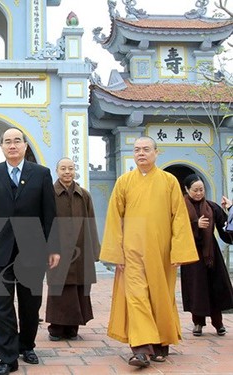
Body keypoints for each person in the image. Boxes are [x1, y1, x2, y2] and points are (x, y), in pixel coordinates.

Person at [99, 136, 198, 368]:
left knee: (161, 297)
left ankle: (161, 342)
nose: (141, 153)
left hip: (161, 251)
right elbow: (114, 218)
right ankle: (142, 348)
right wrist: (116, 254)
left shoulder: (169, 181)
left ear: (156, 152)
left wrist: (179, 252)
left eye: (146, 149)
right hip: (131, 252)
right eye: (137, 150)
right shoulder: (124, 182)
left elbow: (180, 218)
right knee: (136, 298)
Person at [0, 127, 60, 375]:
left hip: (33, 248)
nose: (12, 146)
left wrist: (53, 247)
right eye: (7, 142)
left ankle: (27, 345)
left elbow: (49, 214)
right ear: (1, 146)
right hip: (0, 249)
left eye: (17, 141)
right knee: (3, 304)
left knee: (30, 302)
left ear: (25, 145)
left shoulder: (41, 174)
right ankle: (7, 358)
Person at [45, 157, 100, 341]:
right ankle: (56, 328)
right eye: (63, 168)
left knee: (78, 287)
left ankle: (73, 328)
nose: (67, 172)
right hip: (57, 250)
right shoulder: (49, 194)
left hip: (81, 247)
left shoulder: (83, 194)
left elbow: (91, 223)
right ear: (57, 171)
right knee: (59, 288)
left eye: (70, 168)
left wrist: (95, 250)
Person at [180, 174, 233, 337]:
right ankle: (198, 323)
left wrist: (229, 211)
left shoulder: (212, 207)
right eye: (195, 190)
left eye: (201, 189)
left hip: (211, 255)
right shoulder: (180, 208)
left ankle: (218, 323)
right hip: (191, 255)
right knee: (196, 289)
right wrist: (195, 225)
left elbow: (225, 229)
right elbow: (175, 230)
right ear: (187, 190)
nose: (198, 193)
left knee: (214, 287)